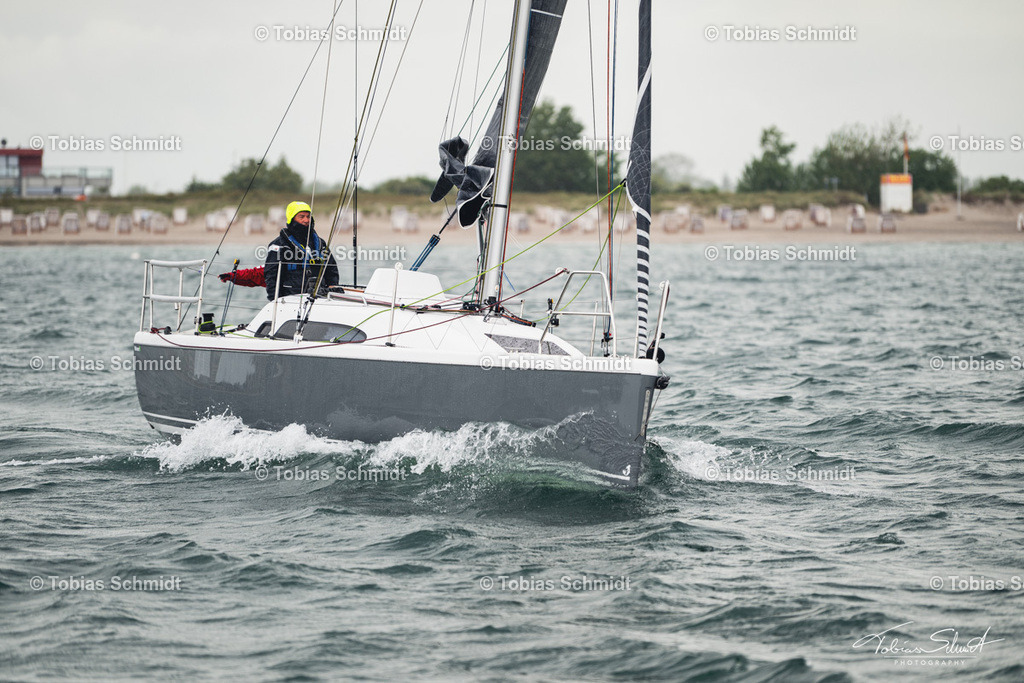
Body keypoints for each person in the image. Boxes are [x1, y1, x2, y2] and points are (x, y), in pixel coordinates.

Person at [264, 201, 340, 300]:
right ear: (292, 218)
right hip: (290, 299)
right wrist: (275, 301)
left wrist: (332, 287)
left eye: (308, 216)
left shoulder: (320, 244)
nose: (306, 220)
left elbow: (331, 269)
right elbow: (271, 277)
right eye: (302, 216)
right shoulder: (278, 245)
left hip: (319, 297)